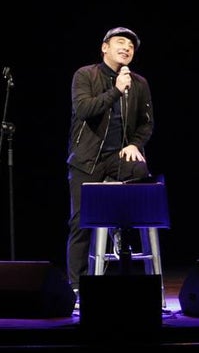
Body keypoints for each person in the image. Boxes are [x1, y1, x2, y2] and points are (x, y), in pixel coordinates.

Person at [65, 26, 155, 303]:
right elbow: (85, 109)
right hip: (87, 160)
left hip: (119, 158)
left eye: (131, 45)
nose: (127, 48)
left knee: (141, 171)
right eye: (120, 42)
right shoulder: (85, 75)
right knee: (81, 222)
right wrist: (115, 91)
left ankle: (120, 231)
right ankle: (77, 286)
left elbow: (146, 123)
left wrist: (134, 145)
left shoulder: (139, 83)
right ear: (105, 47)